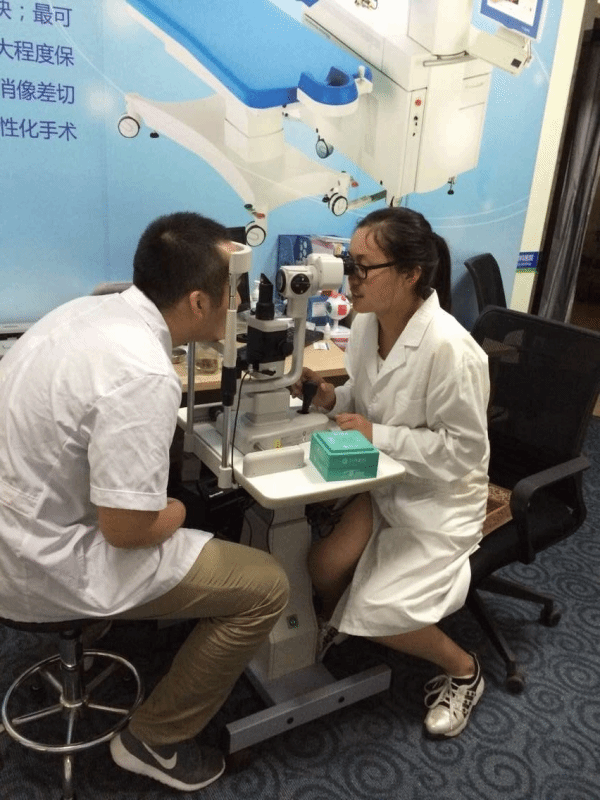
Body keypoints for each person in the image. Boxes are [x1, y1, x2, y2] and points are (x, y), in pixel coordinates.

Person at [0, 212, 289, 792]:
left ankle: (104, 633)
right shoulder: (143, 372)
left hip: (21, 523)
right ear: (199, 302)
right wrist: (181, 509)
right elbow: (128, 531)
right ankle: (154, 740)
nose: (238, 303)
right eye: (233, 291)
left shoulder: (89, 311)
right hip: (44, 561)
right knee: (265, 587)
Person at [293, 206, 490, 739]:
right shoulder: (365, 325)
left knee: (379, 609)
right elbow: (367, 399)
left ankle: (464, 670)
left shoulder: (453, 351)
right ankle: (341, 625)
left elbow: (463, 452)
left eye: (363, 267)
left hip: (439, 498)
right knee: (322, 565)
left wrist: (377, 435)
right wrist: (331, 398)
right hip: (384, 481)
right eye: (349, 264)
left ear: (410, 274)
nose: (351, 279)